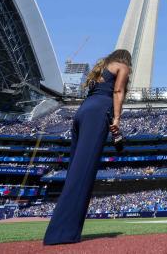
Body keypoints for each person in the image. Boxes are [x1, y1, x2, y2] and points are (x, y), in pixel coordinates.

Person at [43, 49, 131, 245]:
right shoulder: (122, 66)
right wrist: (117, 119)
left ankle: (58, 230)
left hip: (82, 112)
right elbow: (118, 91)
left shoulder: (100, 69)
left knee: (74, 170)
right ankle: (63, 234)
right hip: (99, 112)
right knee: (83, 172)